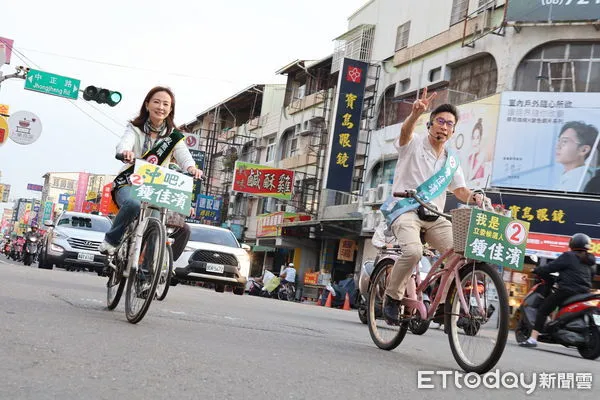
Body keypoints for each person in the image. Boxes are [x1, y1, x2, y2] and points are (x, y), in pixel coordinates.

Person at [380, 88, 485, 324]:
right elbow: (405, 133)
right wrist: (415, 113)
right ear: (429, 124)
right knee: (413, 251)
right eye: (440, 121)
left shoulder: (452, 160)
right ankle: (393, 298)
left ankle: (445, 304)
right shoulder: (413, 143)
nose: (444, 126)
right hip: (405, 210)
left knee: (460, 255)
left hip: (435, 216)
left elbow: (459, 190)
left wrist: (475, 198)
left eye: (449, 123)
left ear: (453, 130)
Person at [99, 86, 203, 255]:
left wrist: (191, 168)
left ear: (170, 110)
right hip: (129, 182)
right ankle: (111, 240)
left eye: (165, 104)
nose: (160, 107)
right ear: (147, 105)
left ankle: (149, 273)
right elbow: (125, 143)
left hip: (156, 188)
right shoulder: (134, 128)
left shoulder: (174, 136)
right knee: (133, 204)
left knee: (158, 225)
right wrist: (126, 152)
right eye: (156, 102)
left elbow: (184, 156)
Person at [519, 233, 596, 348]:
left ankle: (533, 339)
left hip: (567, 290)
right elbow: (591, 276)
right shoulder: (590, 261)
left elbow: (552, 267)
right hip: (584, 293)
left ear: (572, 244)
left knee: (543, 310)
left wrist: (537, 269)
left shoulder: (568, 256)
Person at [554, 121, 599, 192]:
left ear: (584, 150)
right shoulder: (575, 174)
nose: (558, 146)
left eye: (564, 141)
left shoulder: (577, 179)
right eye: (559, 141)